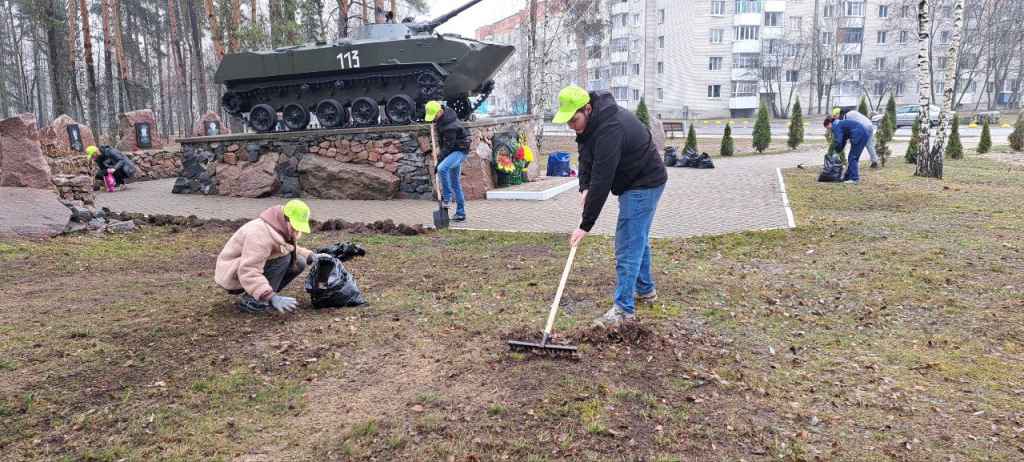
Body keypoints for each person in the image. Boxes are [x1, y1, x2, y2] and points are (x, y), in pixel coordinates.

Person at [551, 85, 668, 328]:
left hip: (644, 182)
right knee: (637, 238)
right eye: (568, 122)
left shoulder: (609, 129)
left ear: (588, 109)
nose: (572, 126)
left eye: (574, 120)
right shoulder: (589, 125)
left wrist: (586, 225)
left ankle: (624, 310)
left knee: (627, 243)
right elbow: (585, 156)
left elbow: (603, 179)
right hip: (633, 180)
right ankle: (645, 290)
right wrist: (584, 187)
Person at [215, 200, 323, 314]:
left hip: (246, 268)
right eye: (295, 227)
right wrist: (271, 297)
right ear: (286, 219)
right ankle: (253, 300)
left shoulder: (280, 227)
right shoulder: (260, 235)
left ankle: (262, 294)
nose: (296, 232)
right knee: (284, 259)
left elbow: (289, 248)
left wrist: (311, 256)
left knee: (299, 262)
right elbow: (248, 270)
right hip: (232, 272)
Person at [424, 100, 470, 222]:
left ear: (440, 111)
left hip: (459, 151)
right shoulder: (442, 119)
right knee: (455, 183)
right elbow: (443, 143)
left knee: (442, 168)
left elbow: (448, 148)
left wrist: (439, 161)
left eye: (434, 116)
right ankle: (461, 213)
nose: (433, 119)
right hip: (453, 150)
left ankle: (447, 197)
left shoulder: (450, 125)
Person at [824, 115, 870, 184]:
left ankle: (854, 179)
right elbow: (843, 140)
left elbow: (839, 141)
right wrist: (838, 151)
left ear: (830, 123)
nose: (828, 130)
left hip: (859, 135)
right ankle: (847, 177)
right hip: (863, 134)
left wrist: (836, 152)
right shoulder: (839, 124)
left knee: (852, 157)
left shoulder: (836, 126)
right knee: (853, 157)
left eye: (828, 128)